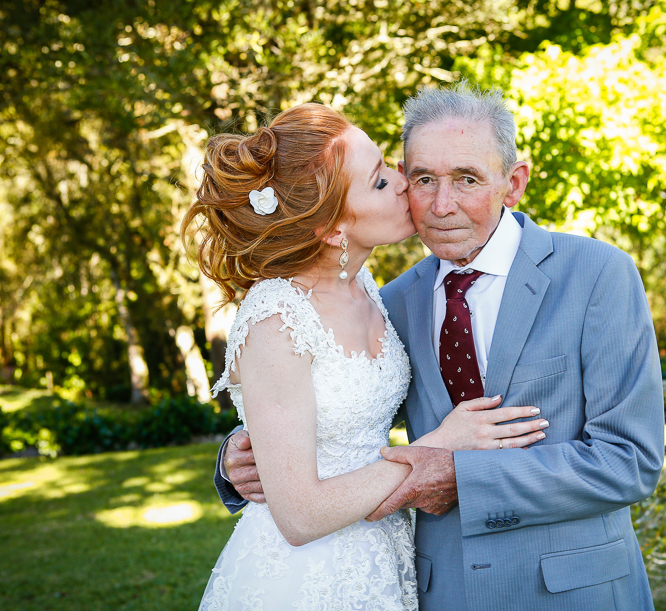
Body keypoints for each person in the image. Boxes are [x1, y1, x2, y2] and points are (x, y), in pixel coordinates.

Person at [217, 84, 665, 610]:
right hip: (437, 591)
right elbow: (328, 415)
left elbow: (630, 460)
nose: (441, 205)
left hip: (575, 592)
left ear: (514, 183)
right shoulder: (391, 302)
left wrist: (460, 474)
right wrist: (238, 459)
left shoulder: (597, 275)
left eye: (467, 179)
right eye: (423, 179)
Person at [185, 102, 548, 610]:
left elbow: (340, 414)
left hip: (383, 556)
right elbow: (299, 517)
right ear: (332, 228)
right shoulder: (276, 317)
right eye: (379, 181)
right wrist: (440, 445)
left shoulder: (371, 291)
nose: (404, 183)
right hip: (305, 577)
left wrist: (241, 453)